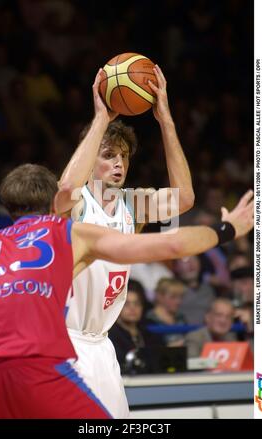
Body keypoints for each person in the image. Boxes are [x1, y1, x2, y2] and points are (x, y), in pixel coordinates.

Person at [0, 163, 253, 418]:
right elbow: (172, 245)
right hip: (35, 368)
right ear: (56, 202)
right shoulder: (69, 231)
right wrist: (227, 229)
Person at [55, 65, 195, 418]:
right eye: (108, 156)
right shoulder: (74, 204)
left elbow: (184, 199)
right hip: (63, 341)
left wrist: (166, 122)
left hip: (102, 345)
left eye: (124, 156)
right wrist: (101, 118)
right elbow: (67, 187)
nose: (119, 164)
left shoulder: (133, 204)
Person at [109, 280, 162, 375]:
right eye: (126, 304)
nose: (132, 308)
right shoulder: (110, 336)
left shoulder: (148, 334)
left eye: (137, 303)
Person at [146, 278, 187, 347]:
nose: (178, 301)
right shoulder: (148, 319)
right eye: (173, 297)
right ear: (159, 296)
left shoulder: (181, 317)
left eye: (181, 297)